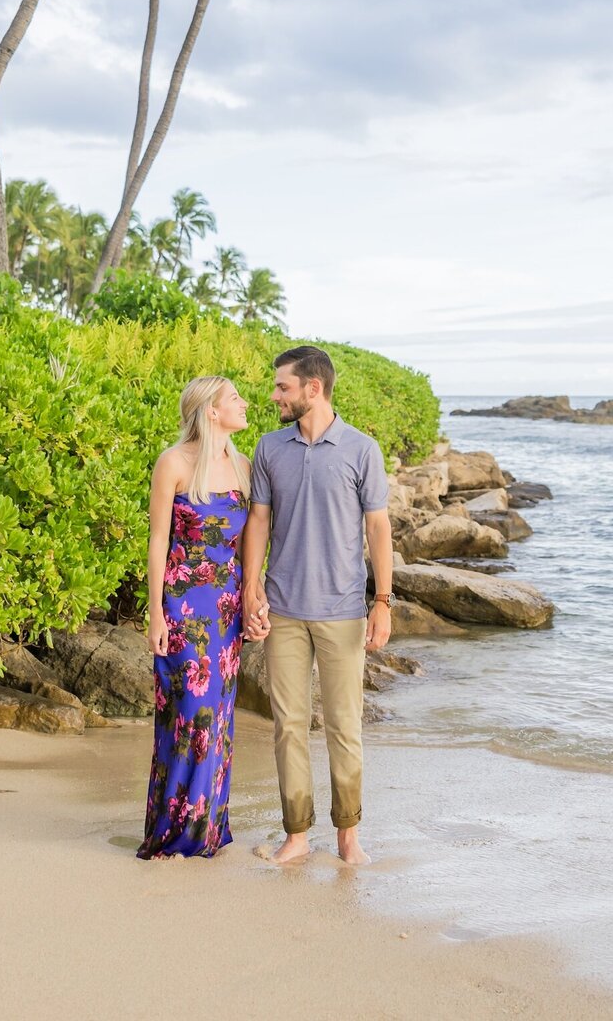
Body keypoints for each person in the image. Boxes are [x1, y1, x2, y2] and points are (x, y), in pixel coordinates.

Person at [241, 345, 393, 866]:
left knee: (344, 726)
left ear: (313, 388)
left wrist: (383, 601)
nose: (274, 395)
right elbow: (258, 520)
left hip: (344, 610)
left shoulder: (361, 449)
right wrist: (250, 588)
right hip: (282, 608)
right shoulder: (269, 448)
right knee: (287, 725)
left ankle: (349, 837)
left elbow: (378, 527)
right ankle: (297, 835)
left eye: (282, 386)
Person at [137, 376, 250, 859]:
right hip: (184, 607)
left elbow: (246, 545)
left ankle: (207, 831)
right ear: (210, 411)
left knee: (219, 717)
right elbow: (159, 541)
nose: (244, 404)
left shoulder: (243, 465)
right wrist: (155, 613)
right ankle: (172, 833)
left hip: (227, 608)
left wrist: (253, 599)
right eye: (235, 399)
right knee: (188, 715)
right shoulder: (173, 462)